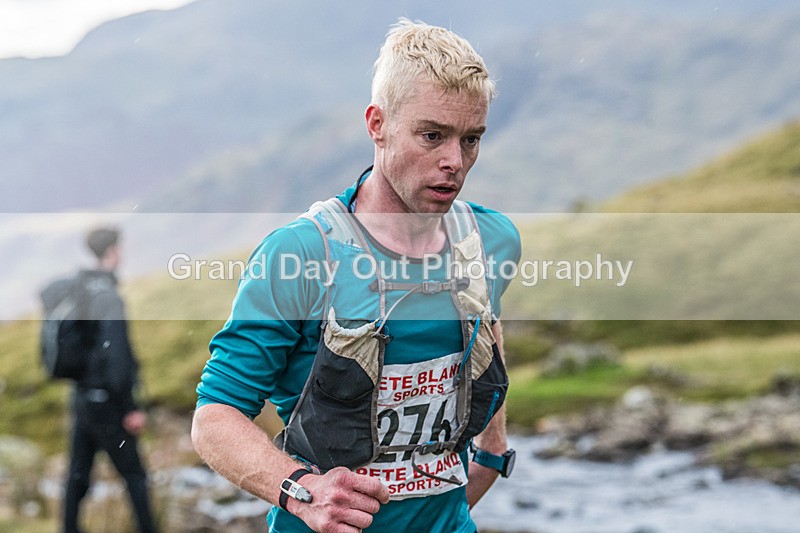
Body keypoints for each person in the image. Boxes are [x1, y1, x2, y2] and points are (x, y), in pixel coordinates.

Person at [192, 18, 521, 533]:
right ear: (377, 124)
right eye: (432, 136)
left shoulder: (490, 239)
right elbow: (214, 419)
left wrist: (492, 447)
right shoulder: (300, 254)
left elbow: (486, 326)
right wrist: (304, 492)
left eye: (471, 139)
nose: (454, 162)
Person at [63, 227, 157, 533]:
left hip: (81, 396)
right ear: (113, 251)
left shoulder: (79, 290)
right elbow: (117, 355)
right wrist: (130, 406)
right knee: (135, 476)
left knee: (78, 475)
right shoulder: (108, 297)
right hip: (108, 401)